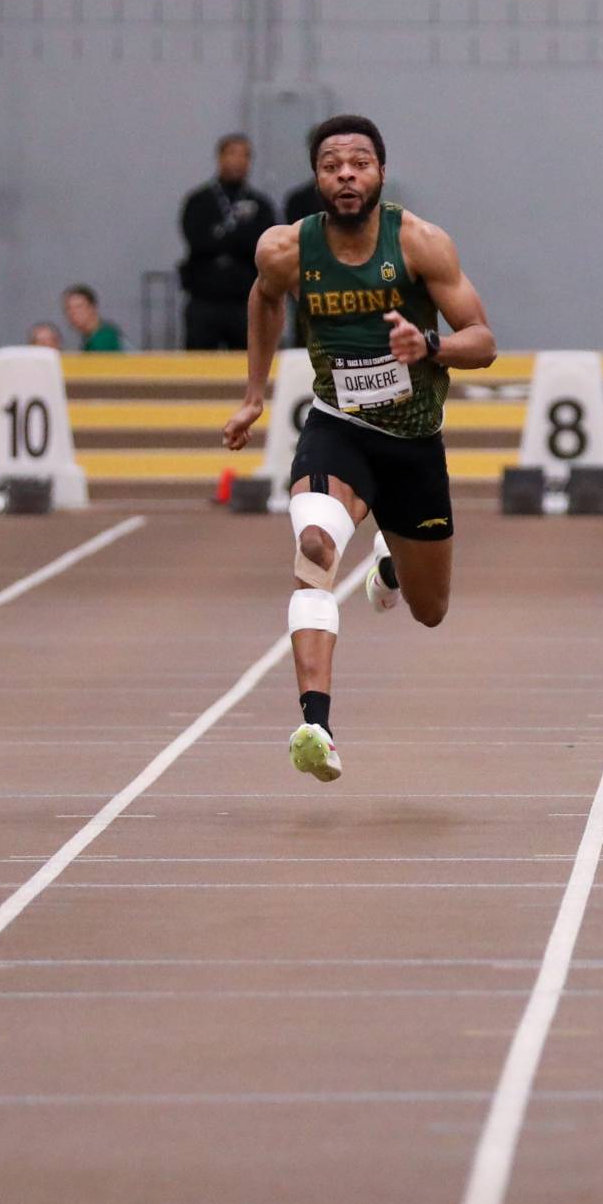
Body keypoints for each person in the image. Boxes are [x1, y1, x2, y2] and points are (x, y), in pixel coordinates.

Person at [221, 114, 496, 784]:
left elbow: (483, 341)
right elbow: (264, 302)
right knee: (314, 547)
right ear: (316, 177)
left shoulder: (421, 244)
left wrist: (428, 346)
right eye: (332, 164)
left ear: (379, 172)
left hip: (414, 443)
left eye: (360, 163)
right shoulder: (285, 250)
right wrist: (254, 394)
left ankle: (392, 558)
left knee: (430, 611)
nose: (346, 174)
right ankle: (317, 724)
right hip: (337, 428)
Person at [180, 132, 275, 350]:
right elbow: (197, 240)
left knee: (249, 362)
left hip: (245, 299)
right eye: (232, 154)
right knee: (199, 364)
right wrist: (238, 237)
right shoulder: (198, 201)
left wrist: (222, 237)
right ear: (220, 157)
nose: (238, 161)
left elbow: (263, 244)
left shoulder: (260, 204)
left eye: (245, 156)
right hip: (204, 298)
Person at [62, 283, 124, 351]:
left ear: (92, 307)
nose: (73, 313)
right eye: (68, 308)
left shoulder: (104, 338)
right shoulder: (90, 338)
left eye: (79, 307)